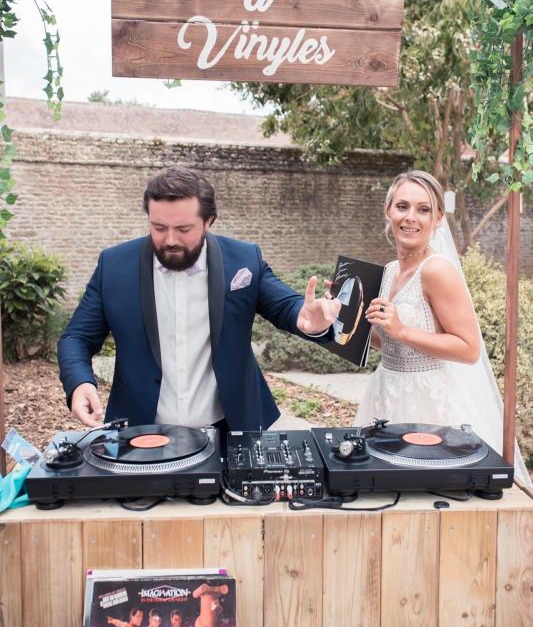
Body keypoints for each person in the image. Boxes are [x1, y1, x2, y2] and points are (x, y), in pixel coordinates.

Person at [58, 166, 340, 431]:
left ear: (208, 221)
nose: (170, 240)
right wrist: (79, 382)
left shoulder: (243, 260)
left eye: (183, 229)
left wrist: (306, 320)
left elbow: (286, 306)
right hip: (141, 430)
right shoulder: (114, 266)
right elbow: (77, 337)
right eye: (158, 227)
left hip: (230, 429)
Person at [352, 169, 530, 484]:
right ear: (388, 211)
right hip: (384, 394)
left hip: (428, 406)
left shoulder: (436, 270)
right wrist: (344, 317)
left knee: (423, 494)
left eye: (424, 210)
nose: (411, 217)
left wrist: (403, 330)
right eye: (402, 206)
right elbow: (391, 342)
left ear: (437, 219)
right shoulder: (391, 270)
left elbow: (468, 348)